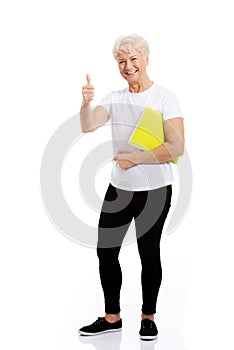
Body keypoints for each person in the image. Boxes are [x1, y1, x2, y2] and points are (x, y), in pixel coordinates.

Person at [78, 34, 184, 341]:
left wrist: (135, 159)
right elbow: (88, 126)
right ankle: (112, 317)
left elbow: (176, 147)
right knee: (105, 251)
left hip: (155, 191)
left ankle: (148, 318)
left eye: (134, 58)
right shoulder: (114, 98)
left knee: (148, 253)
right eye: (122, 61)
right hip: (119, 188)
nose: (128, 66)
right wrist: (85, 102)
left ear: (146, 59)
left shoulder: (165, 97)